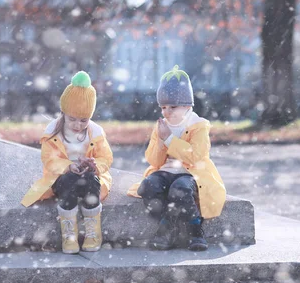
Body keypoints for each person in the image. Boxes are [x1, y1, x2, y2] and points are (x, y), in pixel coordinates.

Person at [127, 65, 226, 251]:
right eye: (163, 107)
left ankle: (195, 227)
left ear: (187, 106)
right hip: (165, 171)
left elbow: (196, 157)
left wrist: (170, 139)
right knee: (148, 187)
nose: (167, 111)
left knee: (179, 189)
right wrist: (161, 140)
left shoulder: (198, 126)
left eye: (173, 106)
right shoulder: (161, 126)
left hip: (191, 172)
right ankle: (167, 224)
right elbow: (154, 160)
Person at [21, 71, 113, 254]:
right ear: (63, 113)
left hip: (88, 176)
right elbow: (49, 159)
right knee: (69, 183)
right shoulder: (52, 133)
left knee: (91, 182)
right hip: (61, 178)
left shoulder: (95, 132)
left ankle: (93, 231)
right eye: (72, 119)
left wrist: (95, 166)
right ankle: (69, 234)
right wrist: (68, 166)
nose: (78, 125)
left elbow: (106, 157)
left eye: (83, 120)